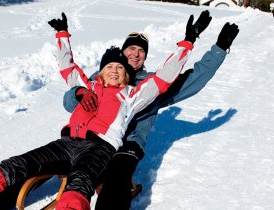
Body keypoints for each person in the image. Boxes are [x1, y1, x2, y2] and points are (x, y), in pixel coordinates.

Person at [0, 12, 196, 210]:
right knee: (13, 166)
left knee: (79, 185)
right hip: (66, 143)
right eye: (110, 66)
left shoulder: (133, 95)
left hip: (99, 150)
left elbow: (163, 79)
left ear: (126, 75)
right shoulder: (89, 86)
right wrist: (62, 34)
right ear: (102, 71)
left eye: (120, 68)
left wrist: (187, 43)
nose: (116, 71)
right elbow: (68, 67)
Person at [62, 14, 240, 210]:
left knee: (117, 178)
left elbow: (194, 79)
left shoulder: (155, 85)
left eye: (141, 51)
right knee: (50, 158)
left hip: (126, 146)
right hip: (92, 139)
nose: (136, 54)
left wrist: (220, 48)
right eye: (131, 48)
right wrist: (77, 95)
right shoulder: (102, 77)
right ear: (123, 51)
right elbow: (70, 103)